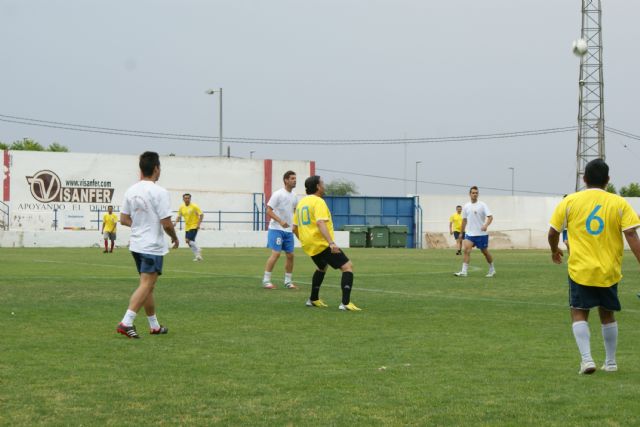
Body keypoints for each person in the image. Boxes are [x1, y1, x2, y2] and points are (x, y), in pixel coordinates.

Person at [548, 159, 640, 374]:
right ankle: (610, 362)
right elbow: (631, 234)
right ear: (608, 180)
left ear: (584, 179)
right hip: (609, 270)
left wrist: (554, 249)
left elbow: (553, 232)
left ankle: (587, 360)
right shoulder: (619, 203)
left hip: (580, 270)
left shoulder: (569, 202)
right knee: (607, 314)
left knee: (579, 311)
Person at [116, 151, 179, 339]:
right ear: (156, 168)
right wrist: (174, 237)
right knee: (146, 284)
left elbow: (124, 219)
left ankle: (154, 326)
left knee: (148, 286)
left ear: (141, 169)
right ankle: (126, 322)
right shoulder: (159, 192)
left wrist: (140, 224)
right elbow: (166, 223)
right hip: (152, 246)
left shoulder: (131, 190)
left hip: (136, 244)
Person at [292, 175, 361, 311]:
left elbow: (294, 228)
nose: (324, 186)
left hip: (309, 245)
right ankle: (345, 303)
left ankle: (313, 299)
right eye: (322, 183)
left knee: (322, 267)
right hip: (321, 243)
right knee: (347, 267)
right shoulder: (318, 202)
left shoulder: (301, 203)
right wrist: (331, 243)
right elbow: (320, 222)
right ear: (318, 186)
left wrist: (305, 240)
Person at [262, 171, 298, 289]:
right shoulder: (278, 194)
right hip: (276, 229)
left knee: (291, 255)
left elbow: (295, 211)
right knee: (276, 254)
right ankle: (266, 280)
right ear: (286, 180)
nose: (295, 180)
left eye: (295, 178)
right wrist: (280, 221)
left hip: (288, 231)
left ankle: (288, 281)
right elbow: (268, 210)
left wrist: (295, 225)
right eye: (292, 178)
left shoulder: (294, 196)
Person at [454, 186, 495, 277]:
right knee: (466, 250)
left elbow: (490, 217)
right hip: (470, 234)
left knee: (485, 252)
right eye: (473, 193)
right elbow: (464, 220)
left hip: (481, 234)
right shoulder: (466, 206)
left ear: (478, 194)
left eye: (476, 193)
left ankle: (492, 269)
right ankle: (464, 271)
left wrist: (486, 225)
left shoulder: (482, 205)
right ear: (470, 194)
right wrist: (461, 232)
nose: (475, 194)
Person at [174, 193, 204, 261]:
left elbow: (201, 215)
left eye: (188, 198)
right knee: (189, 242)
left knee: (188, 240)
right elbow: (179, 216)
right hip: (187, 226)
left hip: (194, 225)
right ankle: (198, 256)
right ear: (183, 199)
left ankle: (198, 249)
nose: (187, 199)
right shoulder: (181, 207)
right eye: (185, 198)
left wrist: (198, 224)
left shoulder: (194, 206)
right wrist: (175, 223)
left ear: (190, 199)